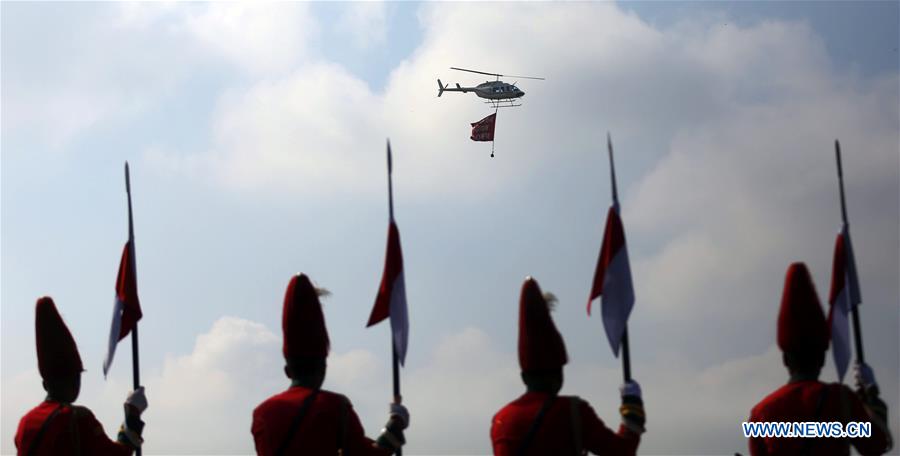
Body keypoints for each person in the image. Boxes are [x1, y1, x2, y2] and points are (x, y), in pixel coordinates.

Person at [252, 273, 409, 455]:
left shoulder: (262, 413)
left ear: (287, 371)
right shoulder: (335, 407)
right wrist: (396, 422)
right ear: (323, 368)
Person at [748, 262, 892, 455]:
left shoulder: (760, 414)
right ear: (823, 358)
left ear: (785, 359)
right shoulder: (841, 400)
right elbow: (877, 444)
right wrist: (871, 399)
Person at [491, 277, 645, 455]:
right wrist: (632, 408)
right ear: (558, 375)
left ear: (524, 377)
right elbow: (621, 451)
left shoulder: (500, 420)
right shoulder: (573, 412)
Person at [15, 297, 147, 455]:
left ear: (45, 384)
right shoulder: (77, 419)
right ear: (75, 380)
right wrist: (132, 414)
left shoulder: (25, 424)